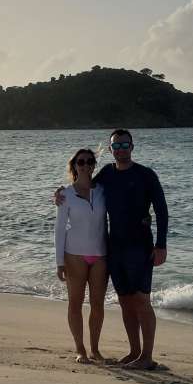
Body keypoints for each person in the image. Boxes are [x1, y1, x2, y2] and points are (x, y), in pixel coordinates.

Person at [56, 129, 167, 370]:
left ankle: (147, 356)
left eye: (124, 145)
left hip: (139, 247)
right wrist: (61, 192)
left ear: (132, 146)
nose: (121, 150)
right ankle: (134, 351)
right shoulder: (106, 174)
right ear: (111, 150)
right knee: (125, 301)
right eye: (116, 146)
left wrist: (161, 245)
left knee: (142, 300)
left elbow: (162, 211)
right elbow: (82, 187)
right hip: (114, 250)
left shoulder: (146, 175)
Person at [54, 147, 109, 363]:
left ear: (94, 165)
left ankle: (95, 349)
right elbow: (59, 229)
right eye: (80, 162)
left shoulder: (104, 190)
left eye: (89, 162)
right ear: (74, 166)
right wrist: (59, 262)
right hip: (74, 255)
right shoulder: (66, 194)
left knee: (98, 305)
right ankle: (80, 349)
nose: (85, 165)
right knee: (75, 303)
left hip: (101, 255)